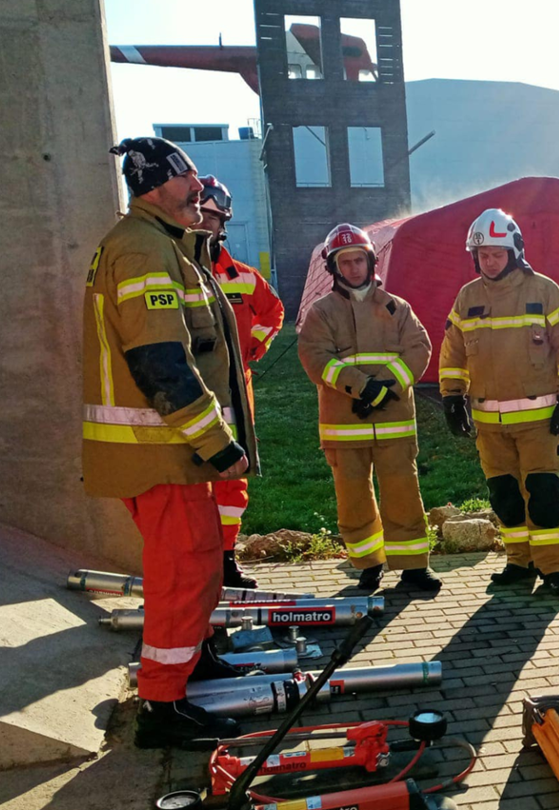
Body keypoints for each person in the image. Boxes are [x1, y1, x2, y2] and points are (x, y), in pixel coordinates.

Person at [83, 137, 251, 748]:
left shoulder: (162, 243)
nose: (199, 189)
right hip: (159, 449)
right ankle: (162, 704)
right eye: (189, 178)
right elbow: (161, 363)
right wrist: (217, 443)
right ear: (155, 185)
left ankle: (193, 662)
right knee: (182, 572)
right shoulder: (144, 249)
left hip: (170, 449)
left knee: (198, 562)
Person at [438, 208, 559, 596]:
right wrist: (451, 397)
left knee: (544, 496)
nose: (490, 261)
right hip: (489, 426)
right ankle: (519, 562)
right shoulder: (468, 297)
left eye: (497, 254)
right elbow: (452, 351)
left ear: (515, 252)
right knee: (505, 498)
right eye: (483, 255)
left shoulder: (544, 291)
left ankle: (553, 569)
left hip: (539, 422)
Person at [297, 224, 439, 592]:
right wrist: (363, 387)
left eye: (358, 260)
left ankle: (413, 568)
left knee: (403, 494)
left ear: (371, 261)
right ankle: (368, 564)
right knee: (354, 501)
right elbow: (316, 359)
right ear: (334, 268)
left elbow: (419, 349)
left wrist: (384, 389)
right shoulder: (321, 312)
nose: (353, 268)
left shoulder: (397, 307)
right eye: (345, 262)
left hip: (393, 424)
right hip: (345, 427)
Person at [197, 175, 283, 589]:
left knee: (232, 475)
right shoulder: (169, 269)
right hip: (186, 389)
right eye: (198, 214)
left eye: (212, 217)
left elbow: (273, 311)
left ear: (224, 223)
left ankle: (226, 558)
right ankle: (195, 560)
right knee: (188, 478)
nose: (203, 223)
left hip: (233, 389)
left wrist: (253, 347)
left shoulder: (243, 277)